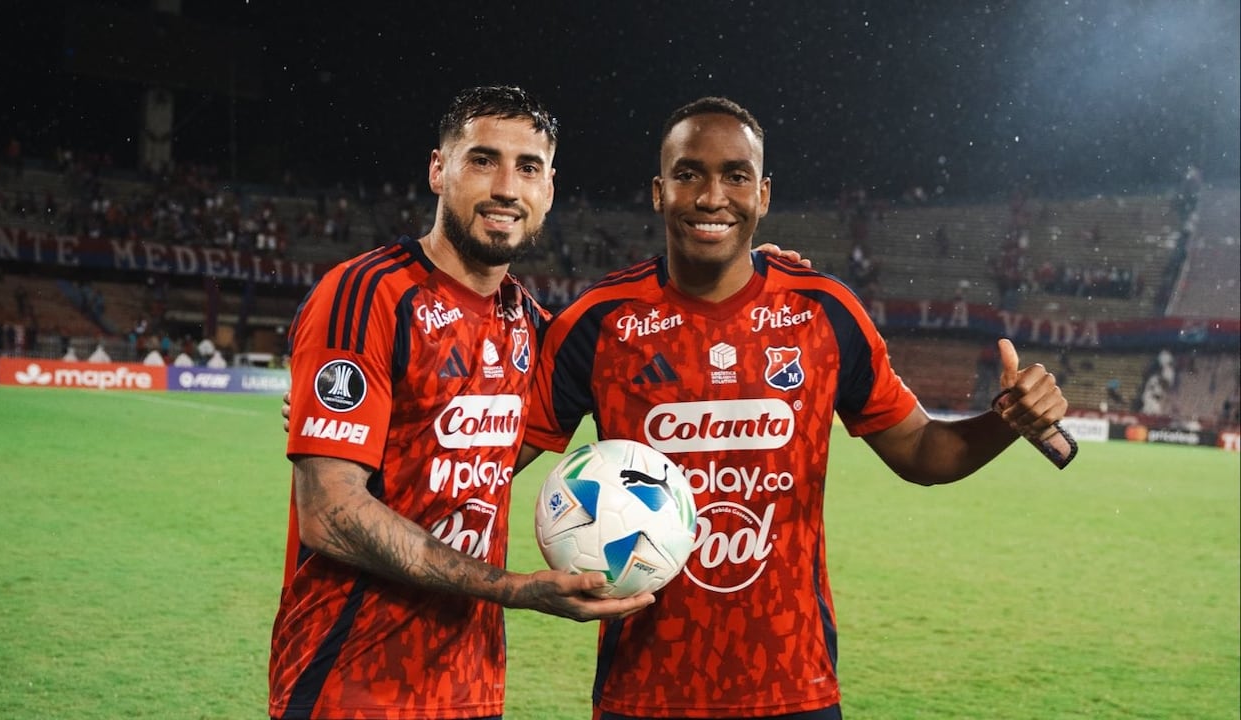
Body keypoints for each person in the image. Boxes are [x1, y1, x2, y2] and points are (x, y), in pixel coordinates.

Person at [514, 97, 1070, 719]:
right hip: (644, 691)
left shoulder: (824, 313)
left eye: (735, 176)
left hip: (792, 686)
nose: (711, 196)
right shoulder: (599, 323)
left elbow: (920, 450)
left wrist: (1005, 422)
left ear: (764, 194)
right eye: (688, 173)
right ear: (658, 190)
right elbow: (494, 457)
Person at [268, 86, 654, 720]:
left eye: (528, 167)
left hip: (471, 684)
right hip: (349, 681)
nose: (507, 186)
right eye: (482, 160)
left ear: (549, 190)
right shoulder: (366, 295)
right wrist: (516, 588)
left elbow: (493, 452)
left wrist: (754, 272)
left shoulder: (531, 324)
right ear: (437, 169)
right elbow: (330, 514)